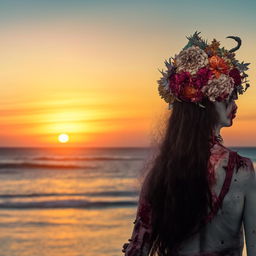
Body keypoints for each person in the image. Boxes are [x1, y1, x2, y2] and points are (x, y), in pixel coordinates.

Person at [121, 31, 255, 256]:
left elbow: (137, 250)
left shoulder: (161, 173)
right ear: (207, 104)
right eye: (229, 98)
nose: (234, 105)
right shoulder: (242, 170)